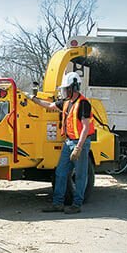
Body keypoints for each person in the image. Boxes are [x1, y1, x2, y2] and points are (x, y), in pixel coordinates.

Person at [31, 71, 95, 214]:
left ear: (73, 88)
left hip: (80, 144)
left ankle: (77, 204)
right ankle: (57, 203)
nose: (64, 91)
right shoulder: (66, 103)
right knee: (60, 172)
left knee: (80, 175)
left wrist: (78, 148)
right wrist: (34, 99)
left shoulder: (83, 104)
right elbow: (49, 106)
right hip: (68, 143)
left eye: (66, 89)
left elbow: (85, 127)